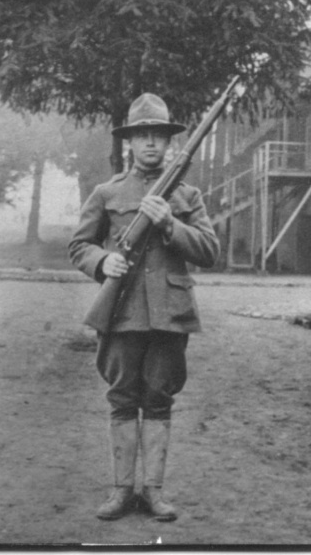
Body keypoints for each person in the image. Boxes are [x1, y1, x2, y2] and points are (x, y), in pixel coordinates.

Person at [68, 92, 220, 522]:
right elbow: (79, 245)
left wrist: (170, 222)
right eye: (143, 136)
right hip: (121, 311)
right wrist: (103, 261)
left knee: (159, 399)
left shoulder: (187, 194)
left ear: (170, 143)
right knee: (121, 398)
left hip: (169, 313)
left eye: (159, 136)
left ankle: (152, 492)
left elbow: (210, 250)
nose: (151, 144)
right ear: (129, 144)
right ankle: (121, 491)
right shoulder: (106, 192)